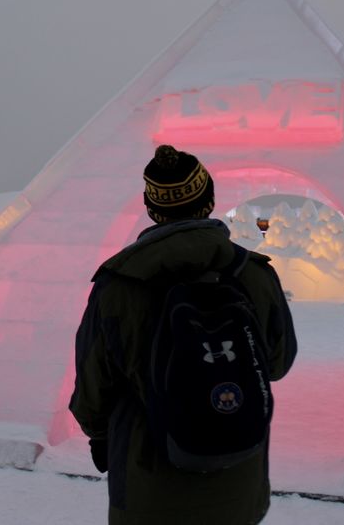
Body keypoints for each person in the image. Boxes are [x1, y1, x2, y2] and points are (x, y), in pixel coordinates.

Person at [69, 144, 297, 525]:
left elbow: (94, 385)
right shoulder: (254, 274)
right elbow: (276, 363)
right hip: (238, 476)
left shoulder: (120, 283)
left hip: (148, 482)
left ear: (152, 207)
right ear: (208, 200)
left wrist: (100, 435)